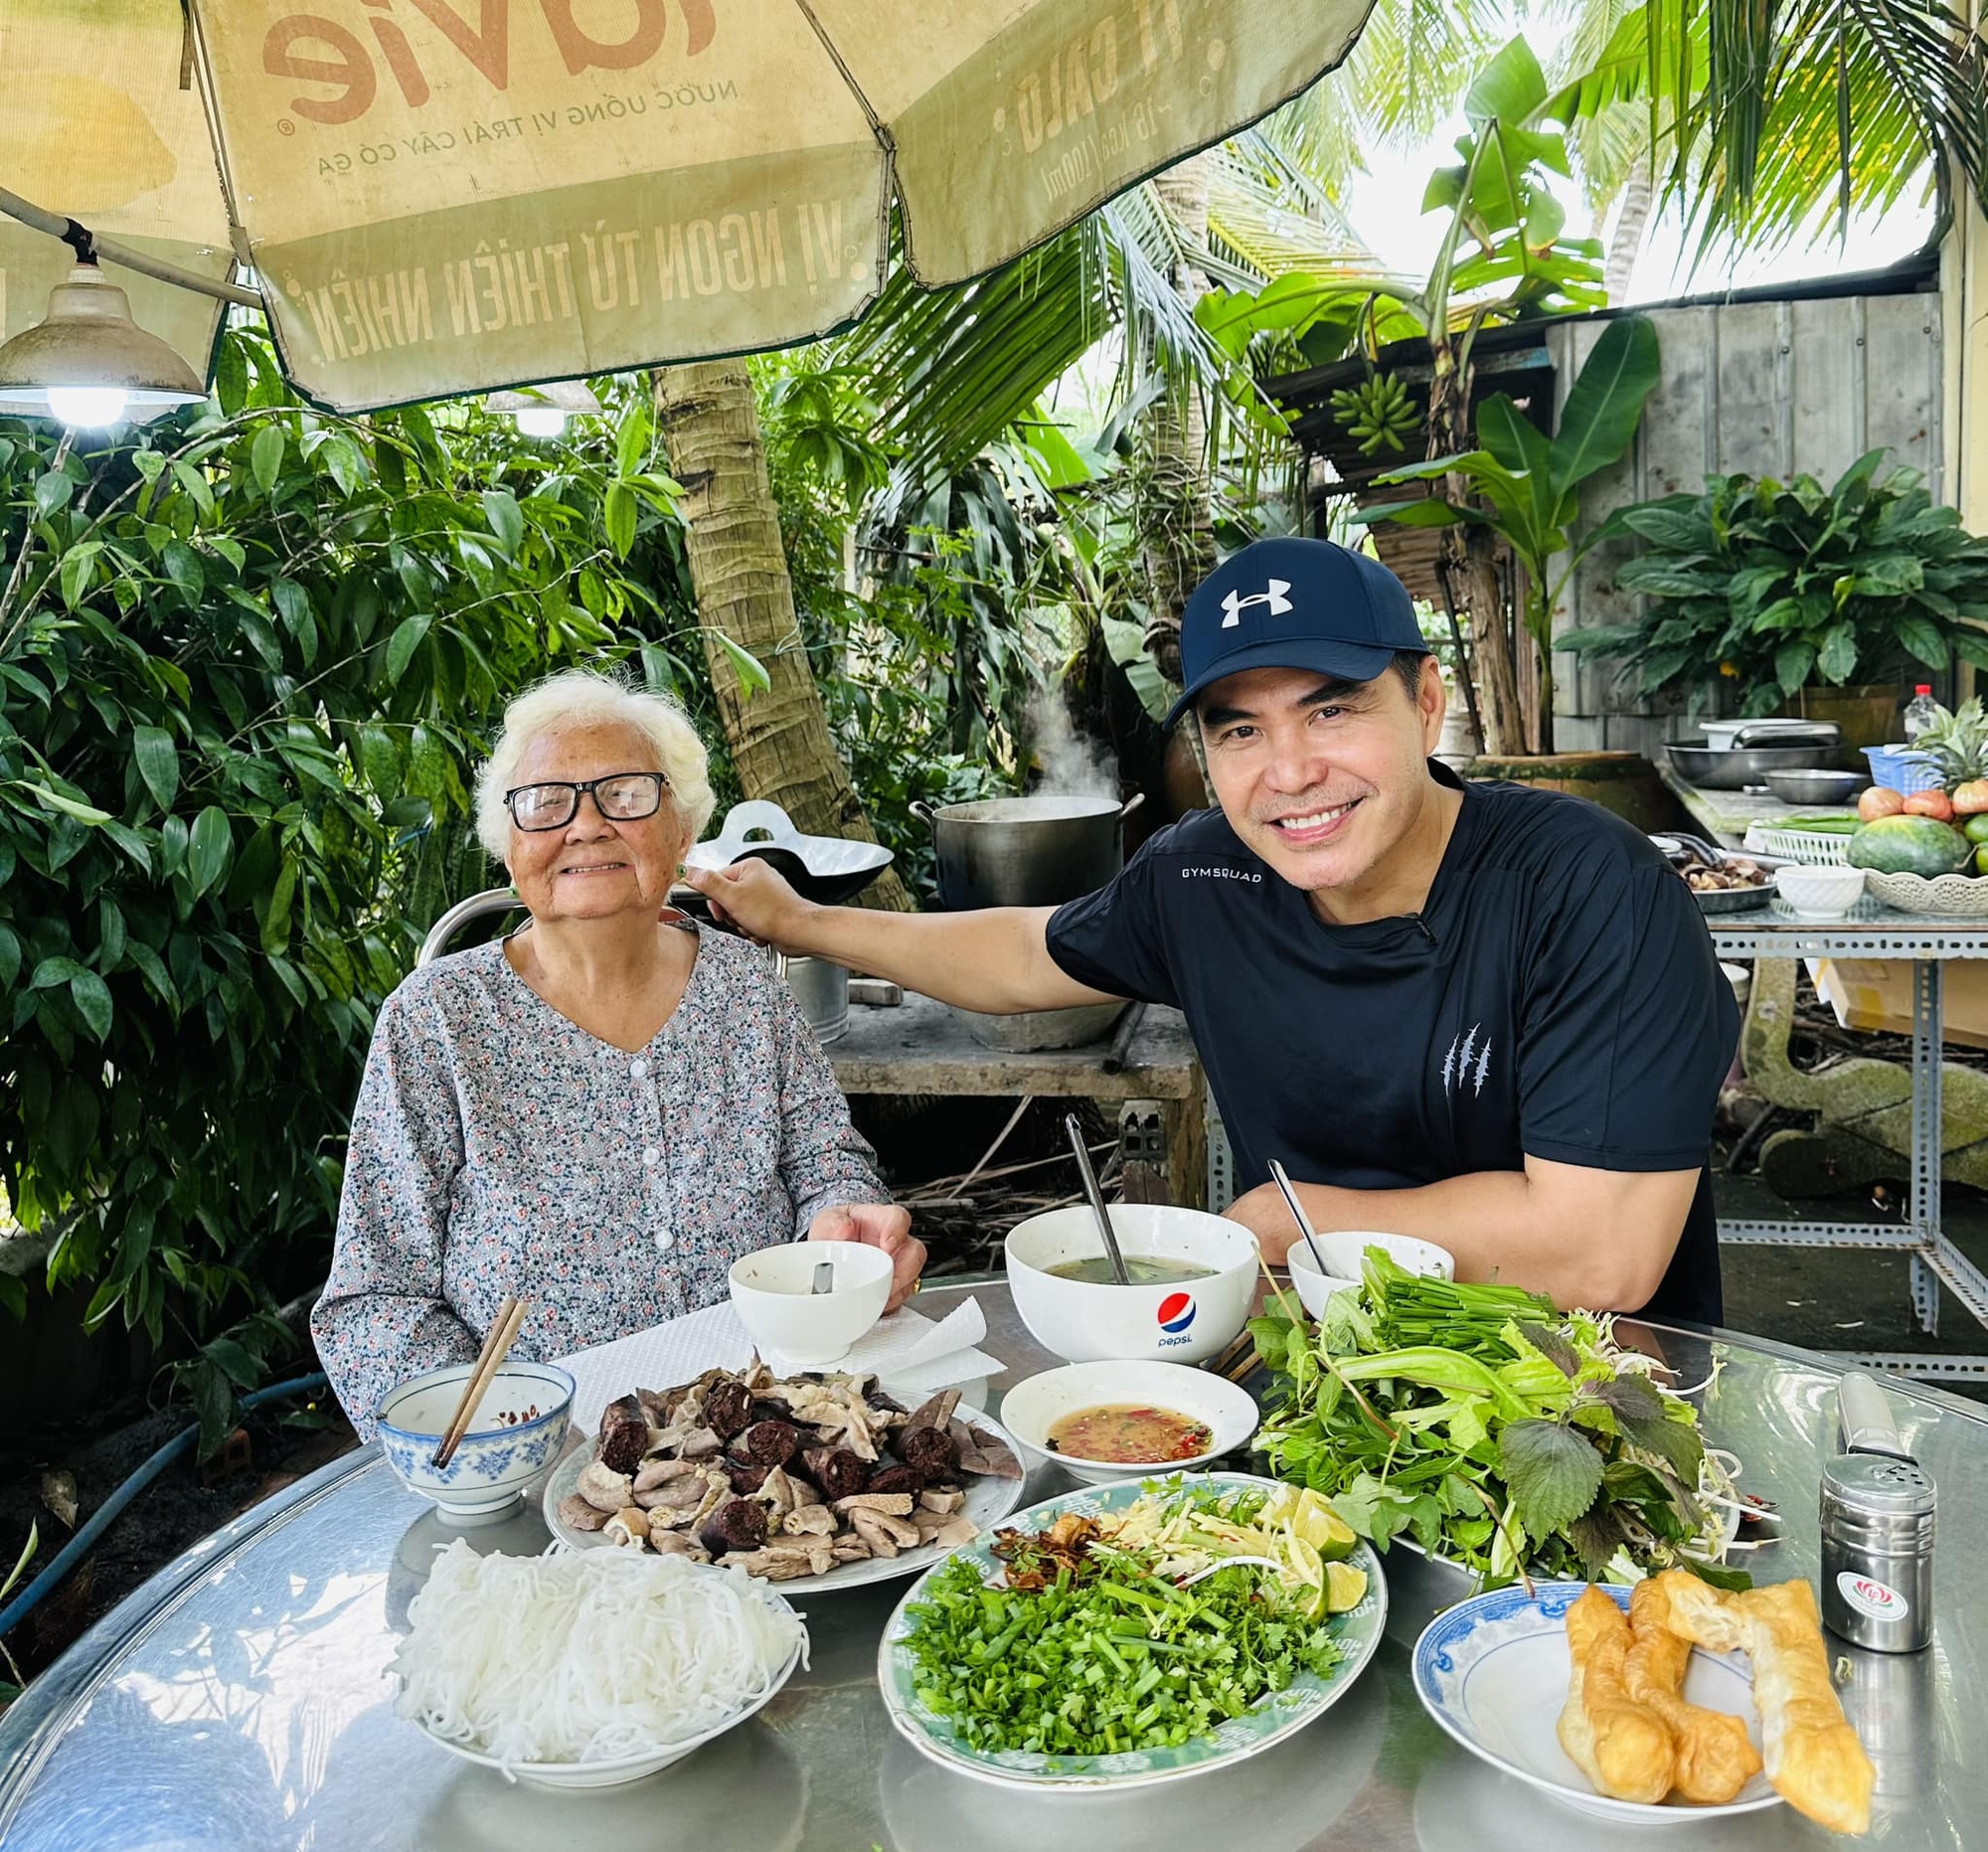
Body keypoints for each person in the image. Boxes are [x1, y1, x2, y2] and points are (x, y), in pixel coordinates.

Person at [685, 538, 1738, 1323]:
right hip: (1320, 1376)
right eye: (1240, 729)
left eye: (1330, 711)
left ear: (1425, 703)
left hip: (1585, 1395)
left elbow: (1599, 1254)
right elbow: (1018, 953)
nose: (1287, 774)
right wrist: (803, 922)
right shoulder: (1203, 875)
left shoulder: (1585, 889)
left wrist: (1290, 1224)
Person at [313, 669, 924, 1434]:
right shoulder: (435, 1023)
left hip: (771, 1428)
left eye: (626, 793)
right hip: (546, 1462)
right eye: (547, 802)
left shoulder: (746, 988)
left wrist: (846, 1226)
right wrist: (503, 1435)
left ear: (680, 829)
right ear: (509, 846)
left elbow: (824, 1160)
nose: (587, 824)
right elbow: (375, 1302)